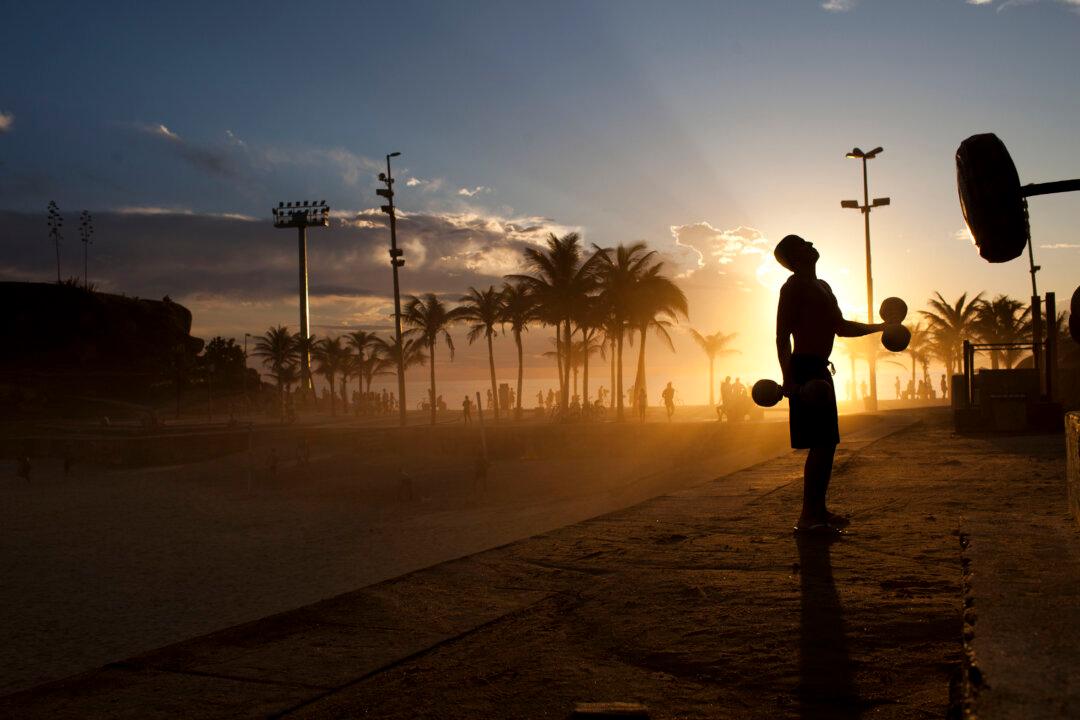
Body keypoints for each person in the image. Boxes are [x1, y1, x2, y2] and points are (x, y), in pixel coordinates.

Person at [773, 234, 885, 534]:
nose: (810, 244)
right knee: (820, 445)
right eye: (802, 244)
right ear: (794, 259)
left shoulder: (823, 287)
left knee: (827, 444)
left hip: (820, 371)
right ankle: (808, 517)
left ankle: (818, 510)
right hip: (805, 370)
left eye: (809, 241)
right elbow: (782, 336)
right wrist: (789, 380)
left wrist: (880, 328)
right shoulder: (793, 286)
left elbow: (841, 327)